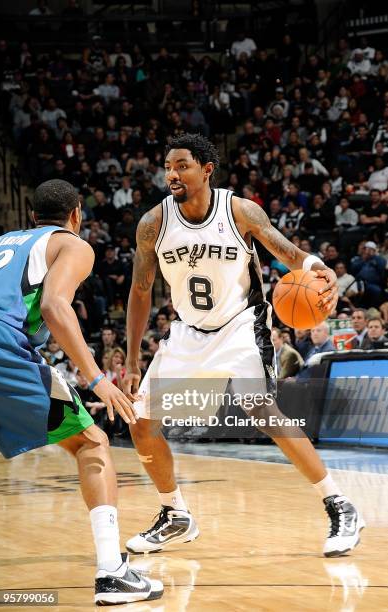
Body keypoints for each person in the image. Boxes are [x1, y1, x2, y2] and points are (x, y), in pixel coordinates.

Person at [122, 134, 364, 558]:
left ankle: (339, 503)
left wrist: (317, 268)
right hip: (188, 330)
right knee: (140, 422)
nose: (172, 174)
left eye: (182, 165)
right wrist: (130, 359)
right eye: (168, 166)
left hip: (240, 324)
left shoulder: (238, 210)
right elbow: (141, 290)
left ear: (206, 169)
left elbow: (285, 250)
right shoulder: (153, 224)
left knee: (260, 409)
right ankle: (175, 513)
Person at [0, 179, 163, 605]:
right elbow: (54, 305)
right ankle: (112, 572)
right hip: (1, 347)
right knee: (92, 443)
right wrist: (96, 378)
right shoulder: (72, 244)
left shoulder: (2, 243)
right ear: (76, 215)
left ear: (32, 215)